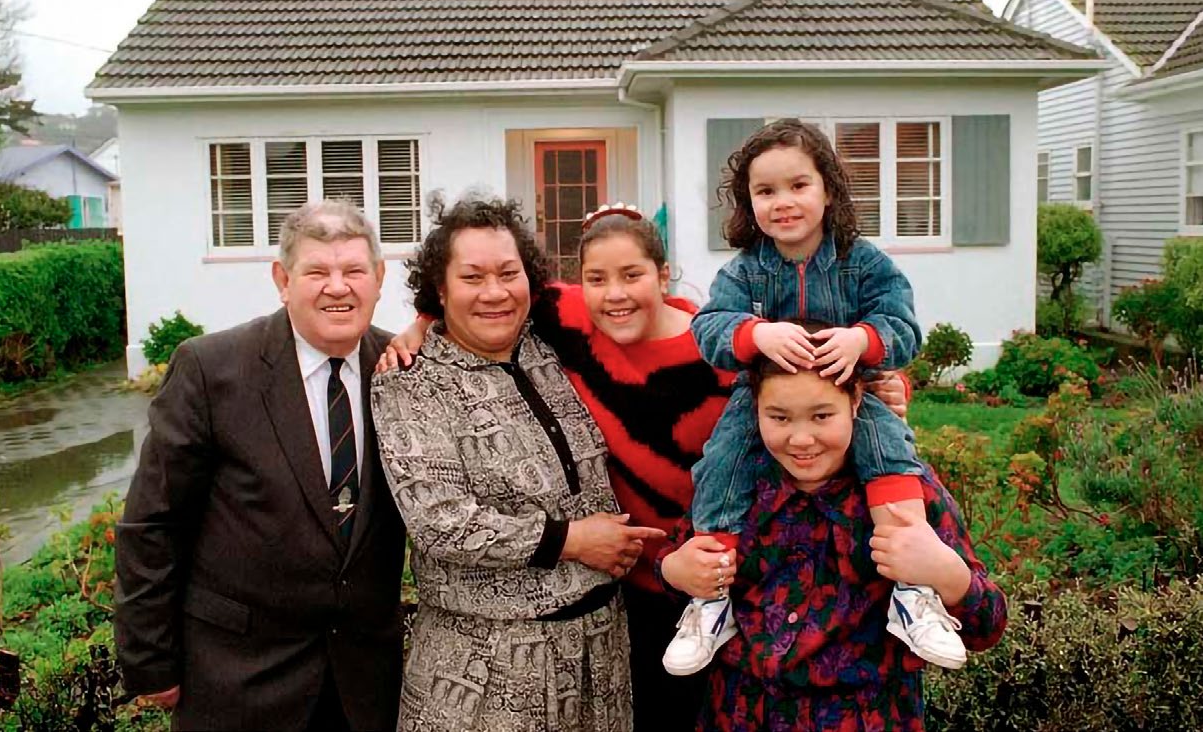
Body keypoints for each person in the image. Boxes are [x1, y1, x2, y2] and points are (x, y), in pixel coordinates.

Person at [384, 203, 914, 732]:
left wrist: (884, 386)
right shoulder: (551, 330)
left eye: (632, 275)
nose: (614, 293)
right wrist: (423, 322)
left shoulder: (707, 351)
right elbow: (439, 516)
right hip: (578, 622)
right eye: (597, 279)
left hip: (720, 587)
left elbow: (808, 385)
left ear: (662, 276)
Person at [666, 118, 966, 677]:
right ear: (747, 202)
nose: (783, 202)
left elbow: (904, 328)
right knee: (722, 464)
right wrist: (756, 335)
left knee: (892, 457)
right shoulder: (746, 271)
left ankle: (912, 592)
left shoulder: (864, 262)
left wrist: (862, 339)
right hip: (764, 402)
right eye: (765, 190)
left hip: (854, 395)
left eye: (798, 185)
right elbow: (709, 329)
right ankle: (711, 601)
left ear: (828, 189)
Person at [371, 195, 663, 732]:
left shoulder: (553, 345)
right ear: (439, 289)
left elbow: (651, 310)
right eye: (472, 277)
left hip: (602, 657)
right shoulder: (411, 381)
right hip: (486, 672)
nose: (495, 292)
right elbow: (438, 522)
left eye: (509, 273)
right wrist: (572, 540)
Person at [114, 200, 407, 731]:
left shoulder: (404, 371)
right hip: (238, 680)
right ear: (282, 278)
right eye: (316, 271)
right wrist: (149, 659)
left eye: (354, 271)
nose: (337, 287)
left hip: (367, 683)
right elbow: (154, 523)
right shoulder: (212, 370)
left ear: (379, 278)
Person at [659, 341, 1008, 730]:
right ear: (752, 411)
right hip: (742, 714)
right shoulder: (731, 488)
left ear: (856, 402)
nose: (801, 439)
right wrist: (676, 569)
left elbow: (986, 626)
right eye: (779, 418)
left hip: (864, 717)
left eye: (822, 416)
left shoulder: (907, 495)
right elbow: (686, 573)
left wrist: (947, 572)